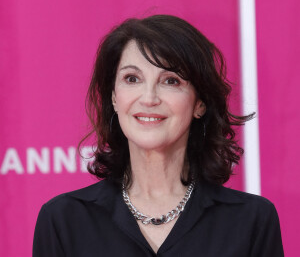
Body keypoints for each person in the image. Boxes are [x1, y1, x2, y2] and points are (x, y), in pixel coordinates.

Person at [33, 14, 284, 256]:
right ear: (114, 98)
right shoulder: (63, 221)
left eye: (171, 81)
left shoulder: (252, 221)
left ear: (200, 103)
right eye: (132, 79)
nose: (149, 98)